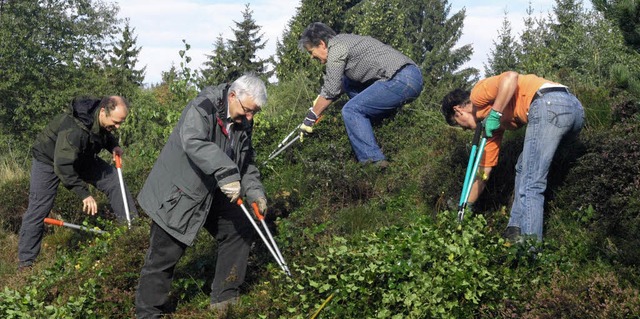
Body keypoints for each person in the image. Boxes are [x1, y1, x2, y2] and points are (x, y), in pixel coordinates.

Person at [135, 73, 269, 317]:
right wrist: (227, 172)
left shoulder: (243, 120)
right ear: (232, 96)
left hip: (214, 191)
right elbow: (194, 141)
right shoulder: (202, 107)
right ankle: (148, 313)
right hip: (179, 193)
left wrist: (255, 193)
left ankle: (225, 299)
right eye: (248, 110)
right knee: (163, 257)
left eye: (254, 113)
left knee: (239, 228)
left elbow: (247, 161)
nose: (250, 118)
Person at [441, 71, 585, 241]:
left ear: (458, 111)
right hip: (574, 109)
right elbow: (483, 172)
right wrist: (467, 204)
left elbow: (510, 77)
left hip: (549, 104)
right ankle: (514, 229)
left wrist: (496, 113)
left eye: (459, 125)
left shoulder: (477, 95)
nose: (465, 129)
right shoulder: (492, 127)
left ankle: (531, 250)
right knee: (523, 167)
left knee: (532, 182)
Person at [18, 96, 137, 269]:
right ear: (103, 112)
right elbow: (63, 165)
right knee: (39, 209)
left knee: (115, 181)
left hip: (81, 156)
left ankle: (131, 235)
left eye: (120, 123)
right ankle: (25, 264)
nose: (117, 127)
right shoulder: (75, 130)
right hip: (50, 160)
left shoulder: (101, 118)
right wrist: (84, 194)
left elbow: (104, 133)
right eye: (116, 122)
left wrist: (113, 146)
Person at [298, 22, 424, 167]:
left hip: (402, 79)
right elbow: (336, 87)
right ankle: (375, 127)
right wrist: (318, 104)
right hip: (406, 77)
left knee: (351, 110)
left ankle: (373, 163)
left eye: (310, 52)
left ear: (321, 44)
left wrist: (311, 116)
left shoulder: (336, 48)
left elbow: (331, 90)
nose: (311, 57)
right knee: (347, 82)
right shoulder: (343, 41)